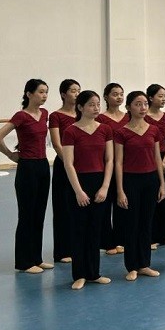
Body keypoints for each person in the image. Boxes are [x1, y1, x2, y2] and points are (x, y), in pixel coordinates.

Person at [0, 79, 53, 274]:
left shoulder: (44, 114)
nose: (44, 95)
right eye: (41, 92)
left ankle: (36, 258)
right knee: (27, 214)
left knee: (39, 213)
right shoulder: (21, 116)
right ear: (29, 94)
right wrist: (11, 155)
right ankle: (24, 262)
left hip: (43, 165)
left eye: (46, 92)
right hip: (27, 167)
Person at [61, 90, 113, 290]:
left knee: (95, 229)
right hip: (78, 183)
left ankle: (93, 273)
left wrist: (105, 186)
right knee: (79, 229)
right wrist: (78, 191)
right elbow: (68, 163)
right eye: (91, 104)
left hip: (99, 182)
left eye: (98, 104)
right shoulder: (71, 131)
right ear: (80, 107)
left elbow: (109, 160)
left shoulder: (105, 129)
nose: (96, 108)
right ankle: (80, 274)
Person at [114, 91, 165, 281]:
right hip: (130, 181)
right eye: (138, 104)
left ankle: (144, 264)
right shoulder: (121, 132)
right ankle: (132, 266)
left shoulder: (154, 130)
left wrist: (162, 183)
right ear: (128, 107)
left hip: (151, 180)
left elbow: (157, 158)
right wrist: (120, 190)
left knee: (146, 223)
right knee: (132, 223)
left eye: (145, 103)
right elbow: (118, 162)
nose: (143, 108)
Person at [48, 78, 80, 264]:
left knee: (80, 206)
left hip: (83, 165)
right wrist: (69, 162)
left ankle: (79, 245)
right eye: (73, 91)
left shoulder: (82, 114)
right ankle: (62, 250)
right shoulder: (56, 116)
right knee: (63, 207)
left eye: (78, 91)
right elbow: (56, 143)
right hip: (65, 164)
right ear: (63, 94)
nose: (76, 94)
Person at [98, 82, 128, 255]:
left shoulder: (128, 117)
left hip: (125, 165)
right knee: (106, 202)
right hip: (106, 164)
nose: (119, 97)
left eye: (121, 94)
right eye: (115, 94)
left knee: (122, 202)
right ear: (106, 97)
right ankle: (107, 242)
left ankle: (121, 239)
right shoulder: (101, 119)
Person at [145, 83, 165, 248]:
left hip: (164, 159)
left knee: (164, 195)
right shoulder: (144, 116)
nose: (163, 99)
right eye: (160, 96)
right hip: (148, 158)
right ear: (150, 98)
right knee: (151, 197)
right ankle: (151, 236)